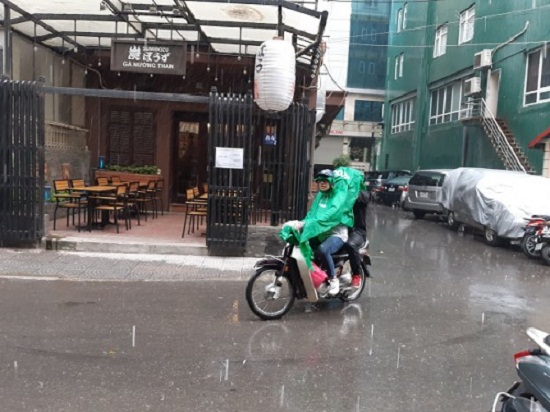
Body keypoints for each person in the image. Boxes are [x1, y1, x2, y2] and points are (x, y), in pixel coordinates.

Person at [310, 169, 349, 296]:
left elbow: (333, 211)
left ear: (331, 182)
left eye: (325, 180)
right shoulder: (320, 196)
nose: (322, 183)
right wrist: (300, 223)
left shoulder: (337, 196)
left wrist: (319, 219)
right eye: (320, 180)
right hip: (322, 233)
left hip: (336, 234)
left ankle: (333, 279)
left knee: (323, 249)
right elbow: (312, 213)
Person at [343, 189, 370, 288]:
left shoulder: (362, 193)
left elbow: (365, 197)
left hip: (357, 231)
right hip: (339, 229)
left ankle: (356, 274)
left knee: (350, 245)